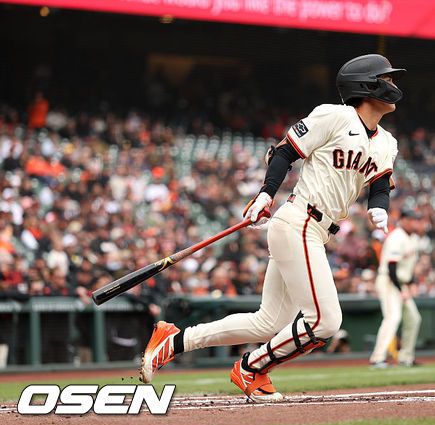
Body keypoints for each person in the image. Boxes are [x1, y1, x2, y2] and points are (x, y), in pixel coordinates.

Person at [138, 54, 406, 402]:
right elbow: (284, 153)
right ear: (367, 85)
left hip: (315, 231)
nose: (393, 85)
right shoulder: (335, 116)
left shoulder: (387, 142)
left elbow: (380, 186)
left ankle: (173, 342)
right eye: (387, 78)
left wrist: (379, 208)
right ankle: (252, 368)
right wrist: (266, 194)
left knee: (268, 322)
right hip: (299, 221)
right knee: (325, 321)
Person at [369, 210, 422, 367]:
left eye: (417, 220)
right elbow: (391, 267)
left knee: (413, 318)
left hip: (401, 283)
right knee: (393, 317)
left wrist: (411, 284)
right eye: (412, 220)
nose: (415, 223)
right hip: (389, 281)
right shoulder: (396, 237)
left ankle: (406, 357)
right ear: (403, 220)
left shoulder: (413, 238)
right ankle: (377, 357)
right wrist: (401, 290)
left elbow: (408, 267)